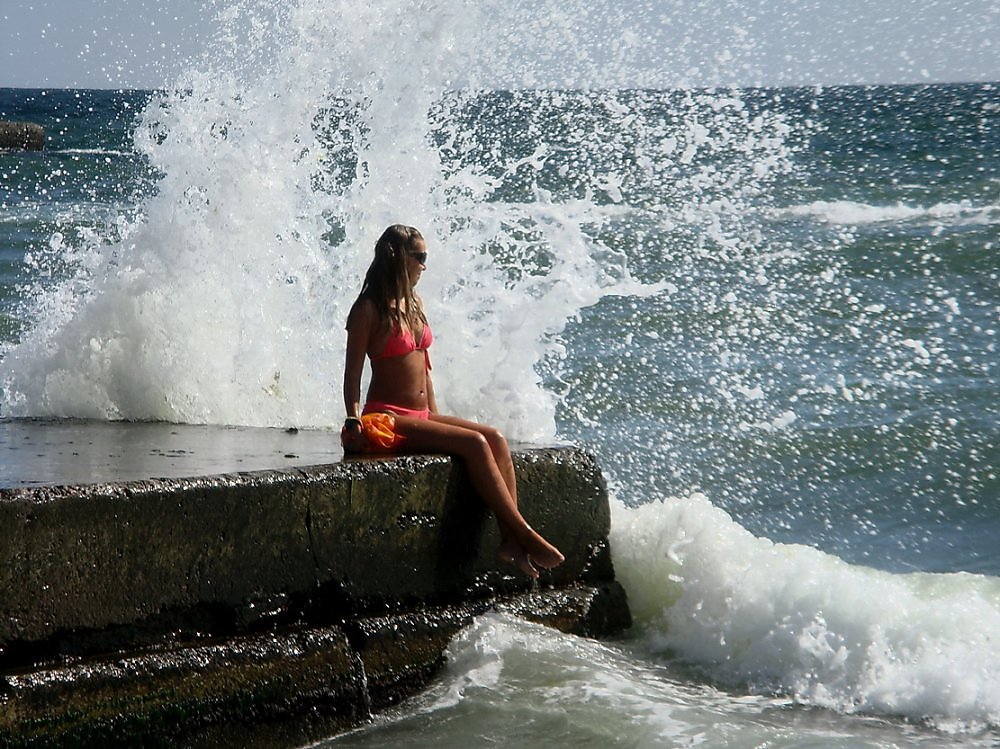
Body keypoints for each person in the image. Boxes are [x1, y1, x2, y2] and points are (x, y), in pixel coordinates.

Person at [341, 224, 564, 578]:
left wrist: (437, 421)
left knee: (495, 438)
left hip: (420, 413)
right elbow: (351, 376)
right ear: (398, 257)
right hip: (385, 418)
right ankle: (524, 532)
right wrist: (352, 419)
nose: (424, 266)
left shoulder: (415, 304)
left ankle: (510, 540)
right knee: (474, 444)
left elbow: (425, 370)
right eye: (421, 257)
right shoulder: (368, 309)